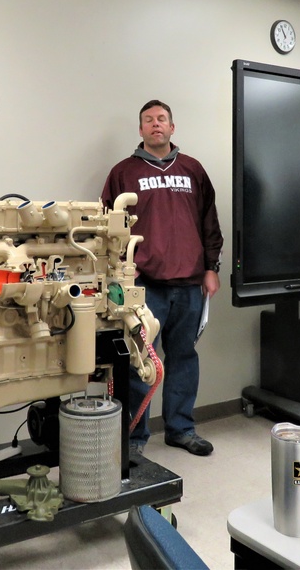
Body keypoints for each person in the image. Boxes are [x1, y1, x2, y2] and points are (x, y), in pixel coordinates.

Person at [102, 100, 223, 463]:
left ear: (172, 127)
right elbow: (108, 225)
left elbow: (209, 221)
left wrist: (211, 267)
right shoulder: (123, 172)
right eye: (148, 120)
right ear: (140, 130)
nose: (156, 125)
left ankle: (181, 429)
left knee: (184, 357)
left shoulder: (193, 169)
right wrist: (119, 270)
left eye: (162, 119)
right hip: (144, 286)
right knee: (140, 361)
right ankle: (135, 436)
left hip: (190, 283)